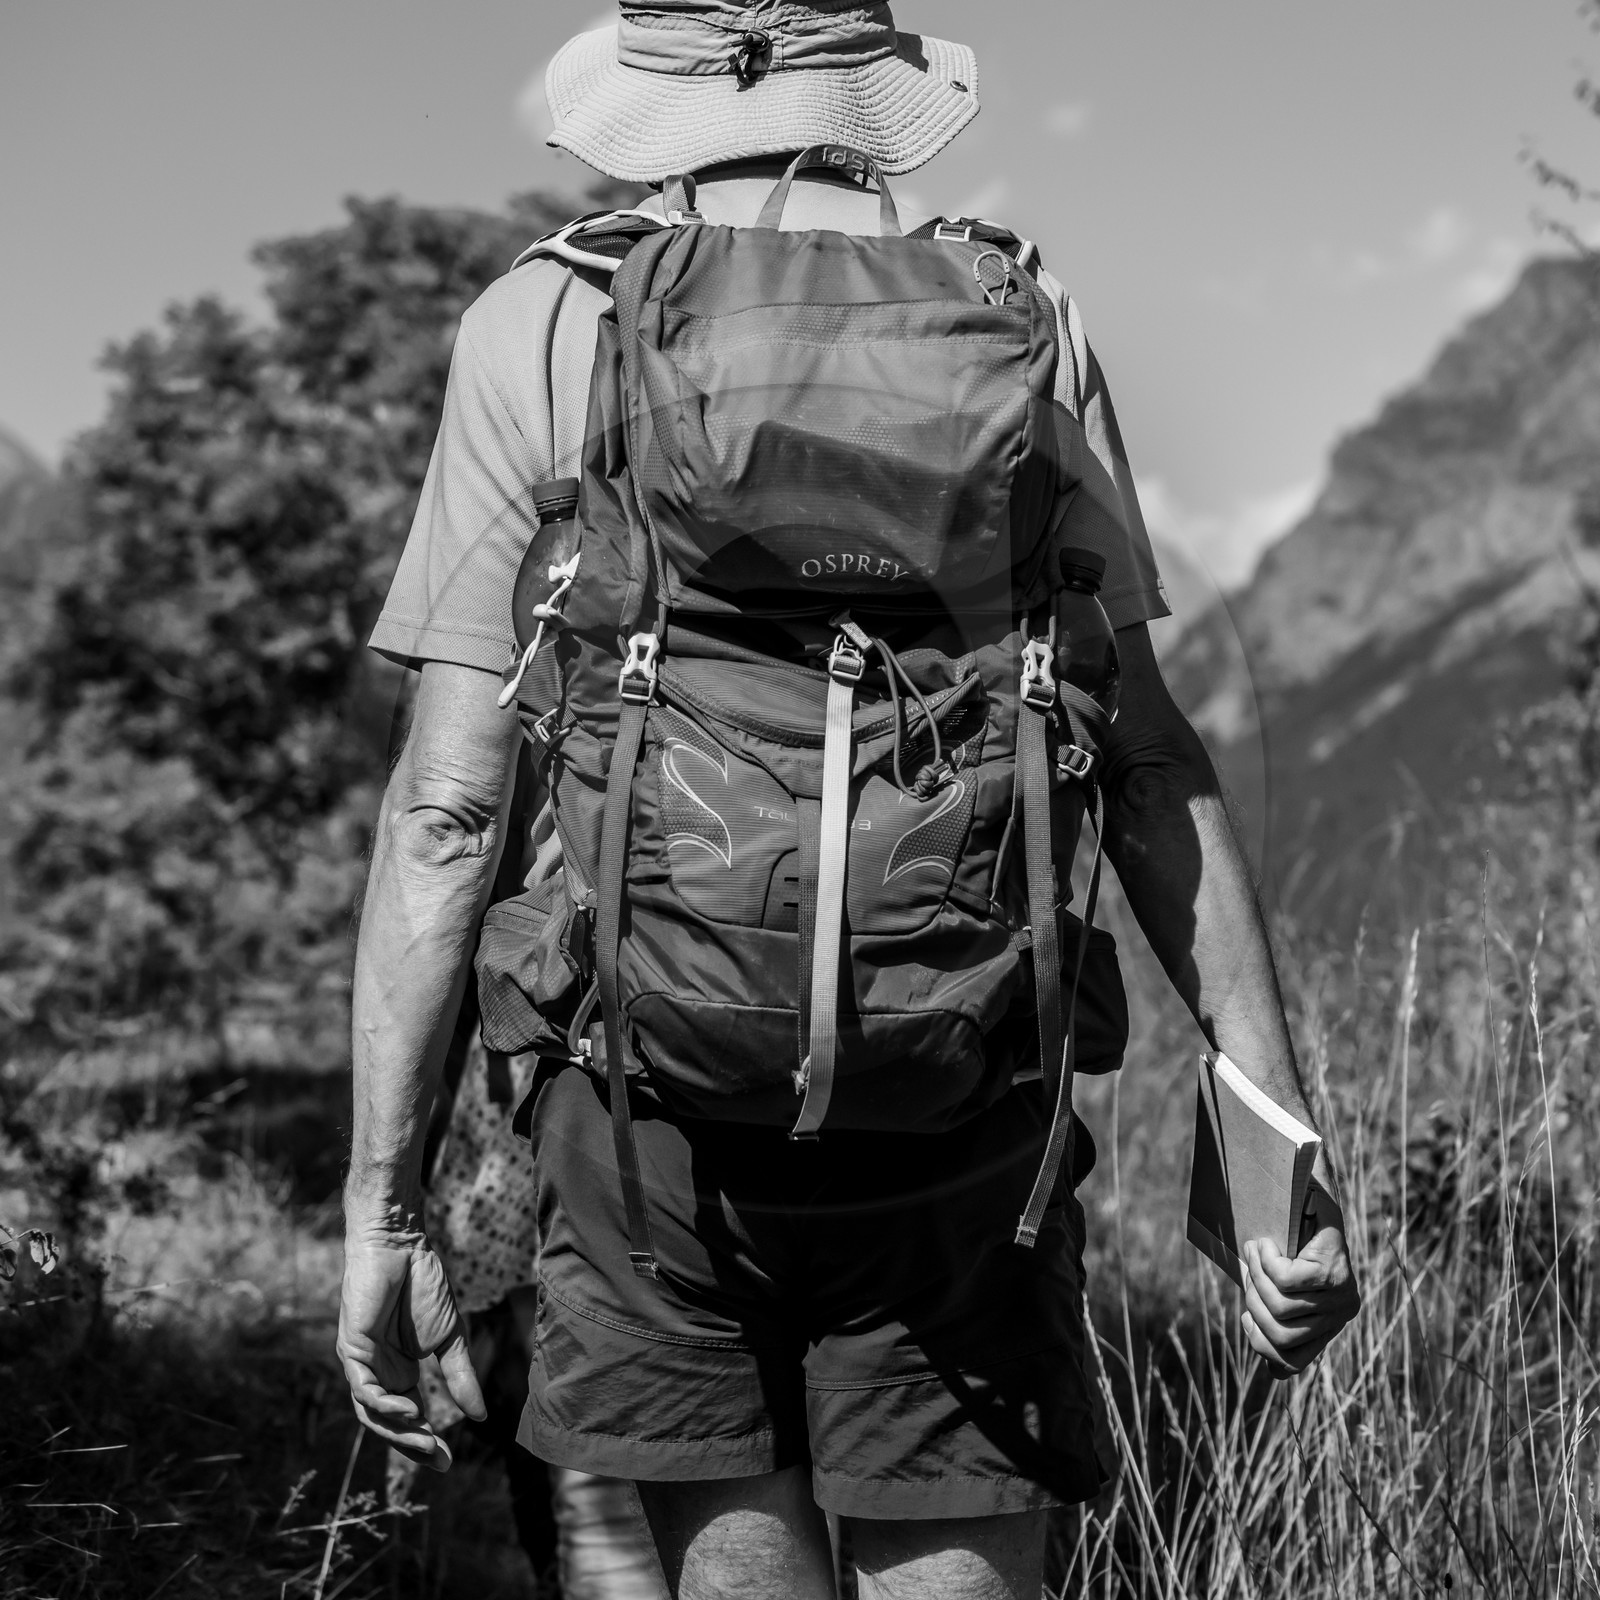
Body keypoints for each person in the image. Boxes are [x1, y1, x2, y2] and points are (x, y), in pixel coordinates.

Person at [336, 6, 1362, 1598]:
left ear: (651, 96)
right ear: (868, 94)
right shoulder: (1015, 310)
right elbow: (1146, 753)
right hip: (963, 1110)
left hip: (652, 1120)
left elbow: (448, 818)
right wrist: (1271, 1143)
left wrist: (380, 1208)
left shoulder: (544, 321)